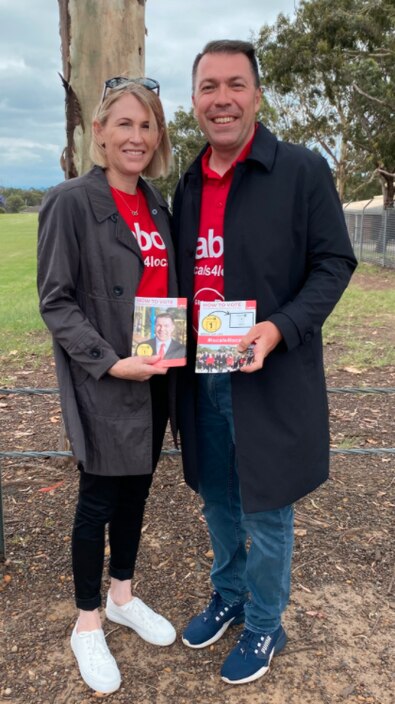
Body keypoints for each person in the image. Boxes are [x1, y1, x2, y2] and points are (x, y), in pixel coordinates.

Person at [172, 40, 357, 686]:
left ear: (255, 94)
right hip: (200, 376)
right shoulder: (189, 180)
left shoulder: (301, 171)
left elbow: (334, 263)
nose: (221, 99)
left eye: (234, 85)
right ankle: (228, 594)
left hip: (267, 375)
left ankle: (264, 622)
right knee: (217, 496)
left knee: (265, 505)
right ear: (193, 99)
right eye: (207, 87)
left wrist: (279, 329)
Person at [37, 76, 178, 695]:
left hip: (157, 376)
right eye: (124, 123)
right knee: (98, 499)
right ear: (98, 132)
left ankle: (123, 594)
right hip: (107, 377)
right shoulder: (70, 201)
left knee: (137, 495)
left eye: (147, 126)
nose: (137, 137)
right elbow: (56, 302)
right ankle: (87, 622)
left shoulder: (157, 204)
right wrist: (108, 361)